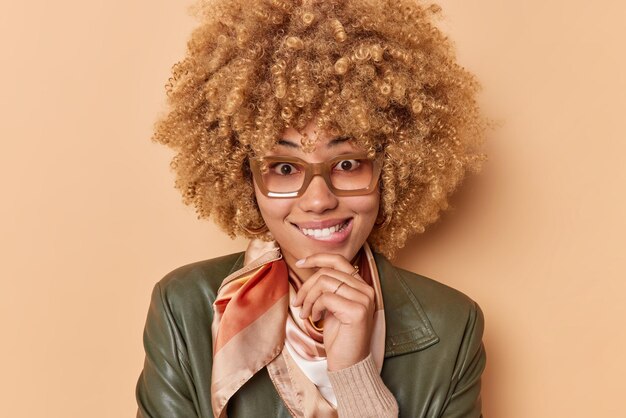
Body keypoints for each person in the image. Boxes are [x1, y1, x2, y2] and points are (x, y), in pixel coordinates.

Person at [136, 0, 487, 417]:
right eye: (284, 168)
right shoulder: (184, 307)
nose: (319, 200)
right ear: (245, 180)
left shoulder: (453, 327)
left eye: (348, 164)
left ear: (391, 171)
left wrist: (354, 375)